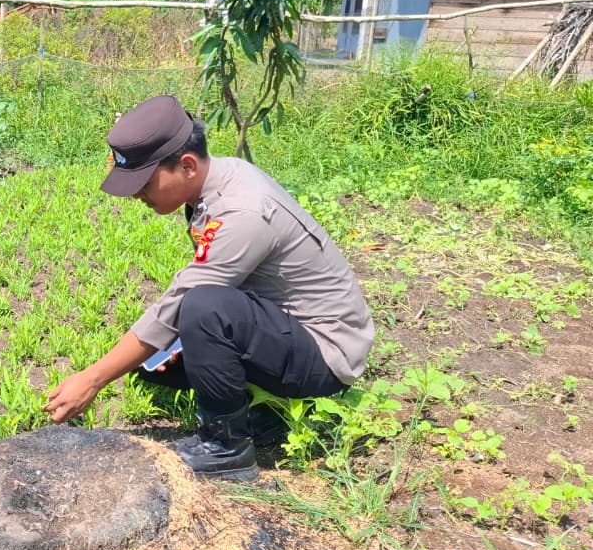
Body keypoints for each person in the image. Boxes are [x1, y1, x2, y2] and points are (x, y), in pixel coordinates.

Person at [43, 94, 374, 481]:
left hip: (325, 354)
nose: (136, 195)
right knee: (156, 366)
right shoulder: (215, 180)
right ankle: (267, 412)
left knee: (201, 308)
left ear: (186, 165)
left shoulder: (244, 211)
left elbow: (185, 300)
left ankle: (227, 447)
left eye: (144, 183)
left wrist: (92, 378)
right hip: (284, 327)